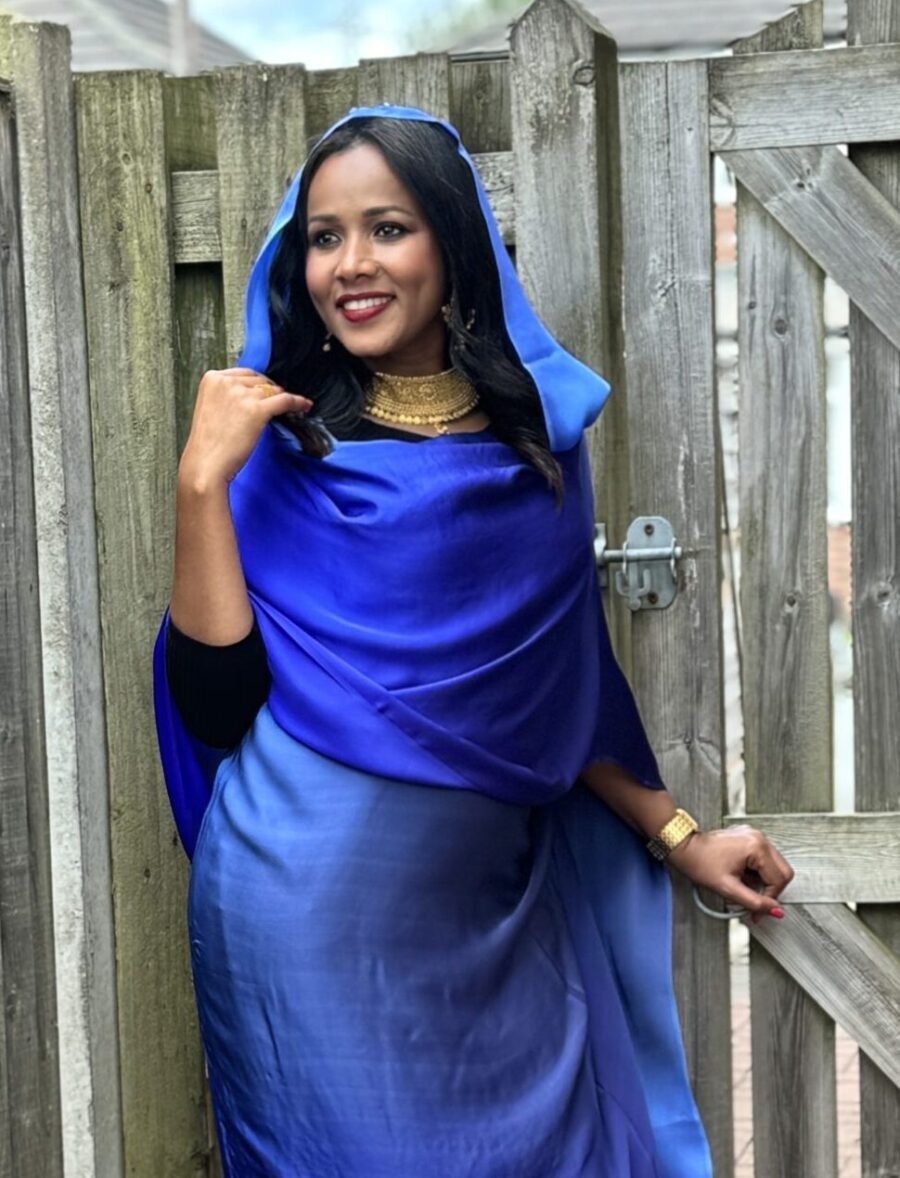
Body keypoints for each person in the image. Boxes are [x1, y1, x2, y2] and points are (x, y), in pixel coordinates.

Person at [152, 104, 793, 1178]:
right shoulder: (279, 451)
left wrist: (679, 834)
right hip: (306, 924)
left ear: (453, 246)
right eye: (324, 236)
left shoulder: (536, 451)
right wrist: (200, 485)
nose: (352, 264)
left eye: (388, 228)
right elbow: (215, 708)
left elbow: (561, 690)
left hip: (498, 913)